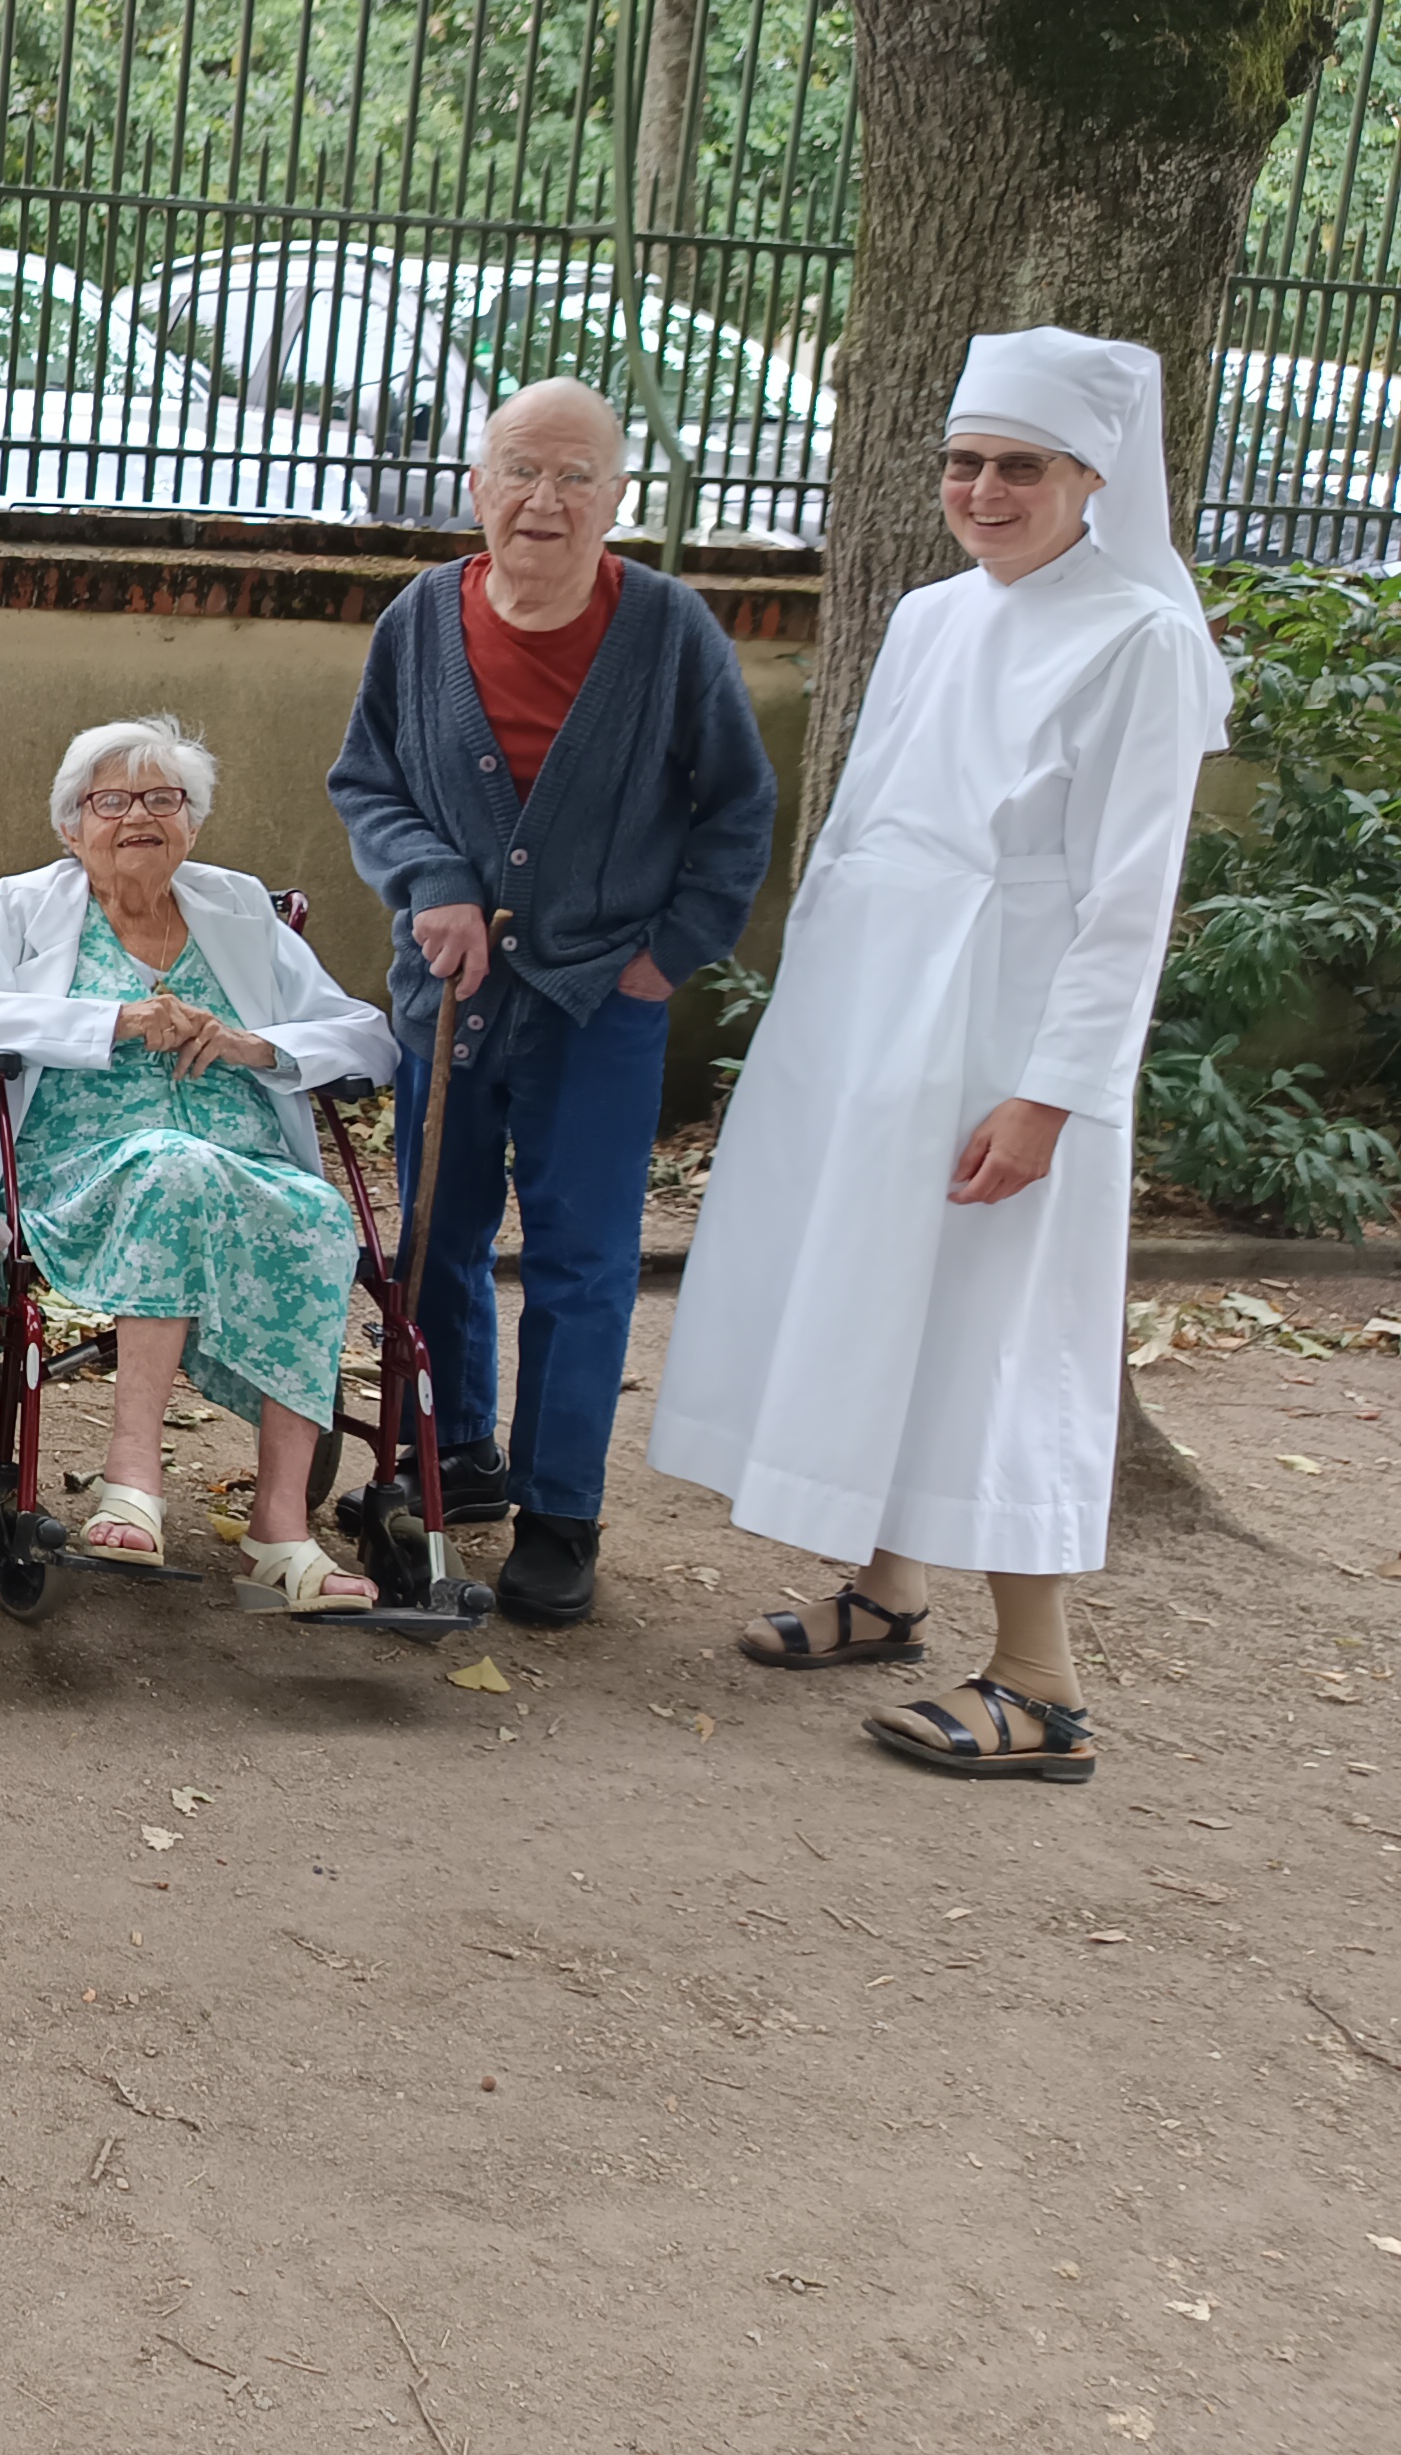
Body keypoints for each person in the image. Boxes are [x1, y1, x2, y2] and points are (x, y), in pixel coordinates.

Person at [655, 328, 1225, 1785]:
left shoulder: (1142, 639)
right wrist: (815, 1032)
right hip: (876, 1016)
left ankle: (1040, 1684)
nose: (982, 490)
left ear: (1094, 477)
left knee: (991, 1329)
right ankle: (893, 1586)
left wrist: (1050, 1097)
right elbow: (866, 834)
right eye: (964, 462)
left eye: (1017, 466)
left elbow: (1125, 899)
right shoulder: (928, 615)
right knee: (884, 1301)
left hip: (1008, 1039)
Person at [326, 375, 777, 1626]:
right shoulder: (420, 617)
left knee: (582, 1265)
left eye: (576, 476)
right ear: (476, 485)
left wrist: (669, 951)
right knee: (440, 1235)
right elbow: (365, 780)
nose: (545, 499)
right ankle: (452, 1454)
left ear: (616, 497)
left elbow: (737, 806)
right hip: (452, 995)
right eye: (521, 469)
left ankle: (561, 1510)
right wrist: (431, 880)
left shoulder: (670, 630)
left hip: (601, 1003)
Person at [0, 716, 399, 1615]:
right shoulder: (20, 909)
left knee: (319, 1213)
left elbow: (366, 1033)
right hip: (77, 1172)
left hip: (242, 1163)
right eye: (112, 801)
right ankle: (131, 1479)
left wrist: (257, 1046)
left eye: (162, 799)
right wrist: (115, 1024)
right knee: (172, 1167)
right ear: (71, 825)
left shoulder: (239, 909)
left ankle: (282, 1529)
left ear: (193, 822)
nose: (139, 815)